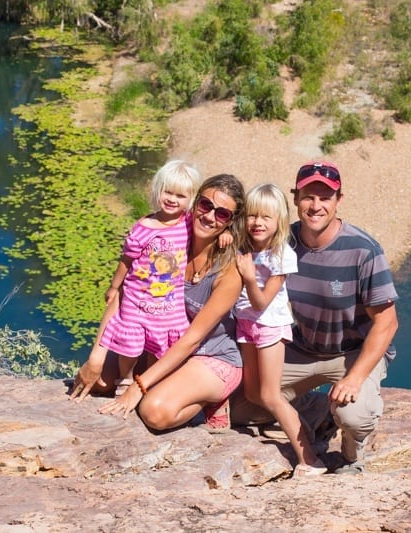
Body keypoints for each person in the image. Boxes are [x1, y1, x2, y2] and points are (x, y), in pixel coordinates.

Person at [231, 161, 399, 475]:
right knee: (240, 406)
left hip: (352, 354)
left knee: (353, 414)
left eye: (325, 197)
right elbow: (246, 237)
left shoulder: (363, 250)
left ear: (339, 201)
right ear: (295, 199)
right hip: (303, 348)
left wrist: (355, 377)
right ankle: (318, 413)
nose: (316, 206)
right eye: (309, 196)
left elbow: (387, 322)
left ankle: (351, 456)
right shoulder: (283, 240)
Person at [71, 174, 246, 433]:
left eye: (222, 214)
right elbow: (127, 290)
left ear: (231, 222)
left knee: (153, 410)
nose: (210, 217)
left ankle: (212, 400)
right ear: (195, 203)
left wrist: (137, 387)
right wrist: (96, 356)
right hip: (166, 345)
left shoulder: (229, 271)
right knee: (99, 382)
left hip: (210, 354)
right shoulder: (172, 240)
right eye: (206, 205)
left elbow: (193, 339)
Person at [81, 160, 202, 398]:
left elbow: (212, 227)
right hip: (138, 298)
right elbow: (126, 260)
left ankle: (153, 378)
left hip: (169, 301)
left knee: (164, 341)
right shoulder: (142, 228)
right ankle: (125, 378)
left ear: (190, 200)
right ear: (158, 189)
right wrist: (114, 286)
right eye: (168, 192)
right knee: (130, 343)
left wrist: (226, 235)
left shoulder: (188, 223)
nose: (172, 199)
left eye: (180, 195)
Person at [234, 183, 326, 477]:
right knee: (252, 393)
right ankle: (304, 428)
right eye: (252, 216)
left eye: (266, 217)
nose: (257, 223)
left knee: (271, 395)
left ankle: (310, 459)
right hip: (245, 325)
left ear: (279, 222)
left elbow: (261, 301)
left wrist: (249, 277)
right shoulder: (244, 246)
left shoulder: (282, 255)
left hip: (270, 326)